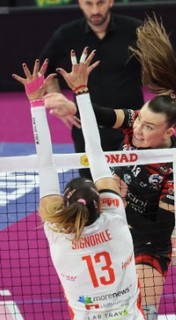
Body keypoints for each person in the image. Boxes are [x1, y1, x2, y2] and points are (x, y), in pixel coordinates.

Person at [44, 16, 176, 320]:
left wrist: (124, 196)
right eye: (140, 119)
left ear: (169, 133)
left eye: (149, 126)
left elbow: (162, 217)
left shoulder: (173, 166)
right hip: (109, 232)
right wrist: (72, 106)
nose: (139, 128)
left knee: (147, 312)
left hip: (147, 242)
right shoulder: (135, 124)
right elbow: (104, 115)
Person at [12, 49, 145, 319]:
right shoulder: (115, 219)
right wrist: (82, 90)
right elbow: (96, 153)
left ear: (63, 205)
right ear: (102, 201)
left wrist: (36, 103)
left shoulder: (57, 229)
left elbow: (45, 162)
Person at [39, 0, 144, 178]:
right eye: (89, 3)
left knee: (136, 191)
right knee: (92, 190)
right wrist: (57, 99)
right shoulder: (67, 33)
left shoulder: (137, 30)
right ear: (80, 3)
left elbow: (163, 66)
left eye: (100, 3)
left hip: (130, 126)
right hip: (86, 127)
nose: (95, 10)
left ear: (110, 1)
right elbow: (44, 68)